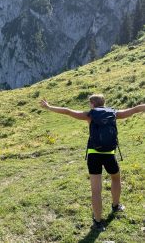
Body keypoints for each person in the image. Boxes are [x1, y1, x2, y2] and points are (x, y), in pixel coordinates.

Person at [40, 94, 145, 231]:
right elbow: (135, 109)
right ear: (104, 102)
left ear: (92, 104)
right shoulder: (114, 113)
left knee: (96, 190)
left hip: (93, 154)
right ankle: (116, 205)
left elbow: (67, 111)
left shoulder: (89, 115)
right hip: (109, 154)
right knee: (116, 178)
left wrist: (49, 107)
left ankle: (98, 221)